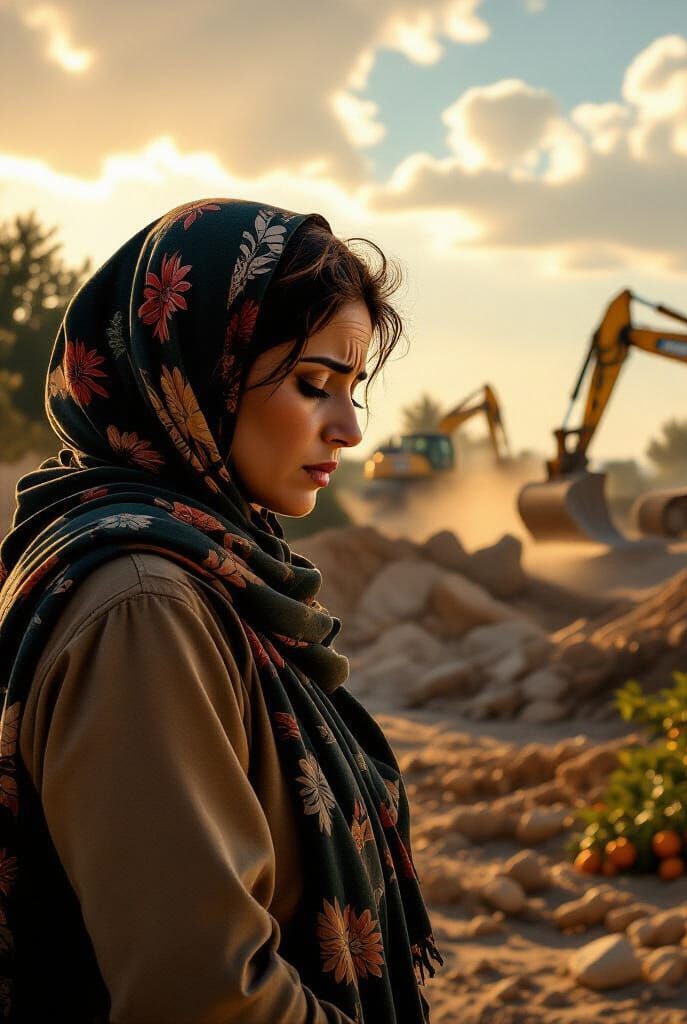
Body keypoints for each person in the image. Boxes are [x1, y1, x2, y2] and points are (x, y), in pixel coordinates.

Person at [0, 198, 442, 1022]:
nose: (349, 428)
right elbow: (205, 994)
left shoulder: (205, 567)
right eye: (314, 385)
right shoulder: (145, 608)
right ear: (200, 372)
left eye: (355, 390)